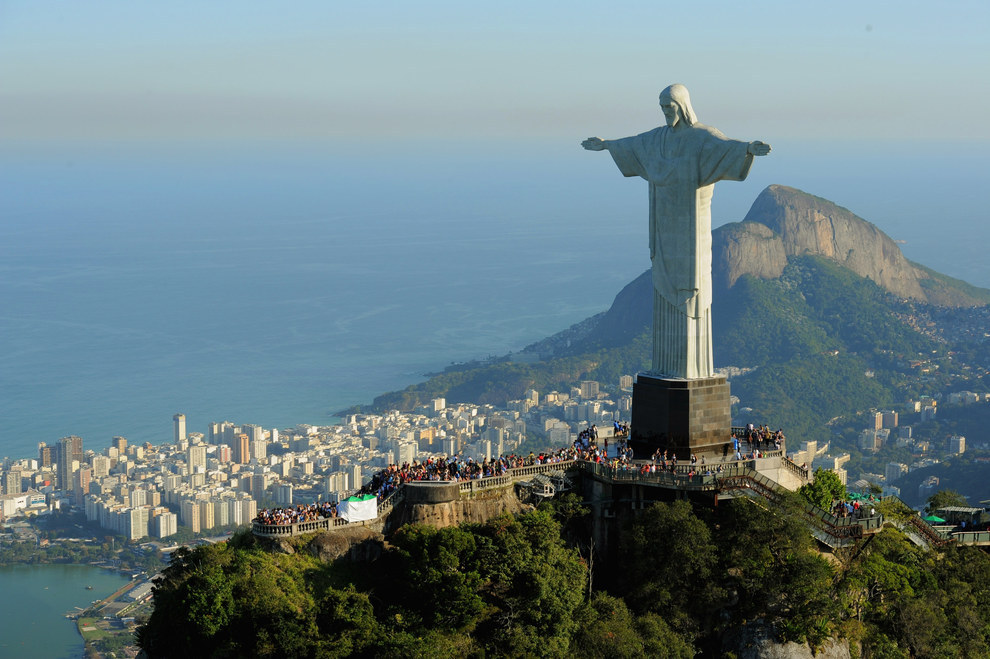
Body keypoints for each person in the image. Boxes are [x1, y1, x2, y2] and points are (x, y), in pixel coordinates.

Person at [583, 84, 770, 378]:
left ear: (682, 106)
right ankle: (666, 367)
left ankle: (692, 370)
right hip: (663, 227)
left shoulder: (701, 138)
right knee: (663, 287)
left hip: (691, 228)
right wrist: (607, 144)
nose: (666, 113)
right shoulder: (657, 139)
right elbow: (633, 144)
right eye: (662, 108)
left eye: (669, 107)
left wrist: (748, 149)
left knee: (692, 287)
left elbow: (726, 147)